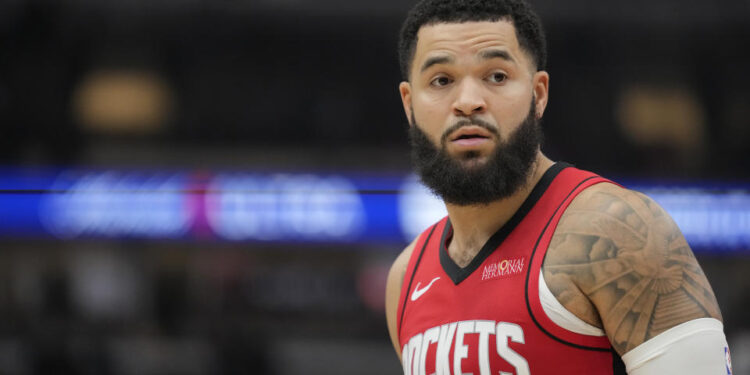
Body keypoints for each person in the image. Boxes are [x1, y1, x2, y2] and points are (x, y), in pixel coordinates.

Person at [384, 0, 732, 374]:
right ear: (409, 104)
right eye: (441, 80)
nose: (468, 102)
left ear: (539, 93)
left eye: (497, 76)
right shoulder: (405, 278)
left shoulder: (618, 232)